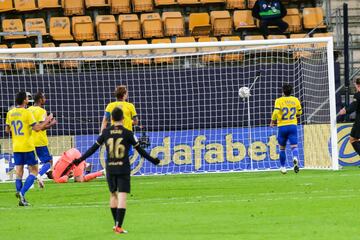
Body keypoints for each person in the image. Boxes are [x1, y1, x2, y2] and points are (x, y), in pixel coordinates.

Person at [75, 107, 160, 234]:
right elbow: (140, 150)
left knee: (113, 194)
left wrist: (80, 159)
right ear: (124, 118)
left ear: (111, 119)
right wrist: (153, 160)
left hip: (110, 168)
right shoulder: (128, 133)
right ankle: (118, 226)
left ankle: (116, 224)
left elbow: (93, 149)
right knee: (122, 196)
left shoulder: (105, 133)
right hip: (123, 168)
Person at [5, 91, 56, 206]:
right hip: (27, 146)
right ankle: (22, 193)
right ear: (24, 100)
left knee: (19, 172)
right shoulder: (26, 113)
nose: (28, 99)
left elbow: (7, 130)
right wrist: (48, 120)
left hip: (16, 146)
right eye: (27, 98)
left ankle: (21, 198)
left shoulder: (10, 112)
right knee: (34, 171)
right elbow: (37, 128)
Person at [270, 84, 302, 174]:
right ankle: (295, 157)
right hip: (292, 126)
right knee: (294, 147)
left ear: (283, 91)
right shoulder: (295, 100)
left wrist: (272, 121)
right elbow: (300, 112)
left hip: (282, 127)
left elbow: (276, 112)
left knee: (282, 148)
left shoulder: (279, 100)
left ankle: (283, 167)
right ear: (291, 91)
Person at [28, 92, 57, 188]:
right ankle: (39, 175)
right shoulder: (41, 111)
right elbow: (41, 127)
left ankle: (31, 183)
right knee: (48, 162)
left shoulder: (28, 110)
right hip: (40, 140)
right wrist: (51, 123)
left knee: (32, 163)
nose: (45, 100)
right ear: (40, 100)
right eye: (44, 98)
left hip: (29, 140)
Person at [338, 78, 360, 156]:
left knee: (353, 140)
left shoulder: (357, 95)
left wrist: (345, 111)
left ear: (357, 85)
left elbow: (353, 107)